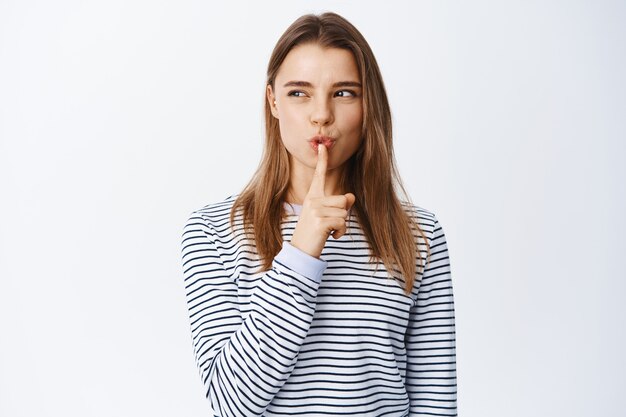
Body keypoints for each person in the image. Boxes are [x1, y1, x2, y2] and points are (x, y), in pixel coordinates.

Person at [180, 11, 457, 417]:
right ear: (272, 101)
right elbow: (232, 403)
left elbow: (436, 404)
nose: (321, 114)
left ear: (368, 105)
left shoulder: (418, 234)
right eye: (299, 92)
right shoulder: (211, 232)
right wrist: (301, 250)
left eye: (344, 93)